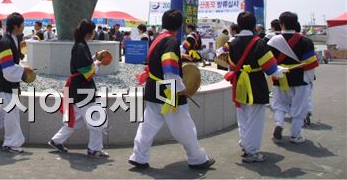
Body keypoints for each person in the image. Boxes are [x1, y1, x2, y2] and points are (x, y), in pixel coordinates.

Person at [129, 9, 214, 169]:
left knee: (147, 125)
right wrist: (180, 88)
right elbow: (169, 68)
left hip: (153, 88)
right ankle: (197, 158)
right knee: (184, 126)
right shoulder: (171, 42)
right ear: (180, 25)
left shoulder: (157, 39)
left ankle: (139, 156)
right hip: (168, 91)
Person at [221, 11, 284, 162]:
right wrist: (280, 71)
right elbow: (270, 67)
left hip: (239, 82)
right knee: (255, 118)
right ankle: (251, 151)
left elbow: (231, 66)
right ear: (254, 25)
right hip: (255, 82)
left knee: (242, 116)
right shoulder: (259, 42)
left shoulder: (232, 43)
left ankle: (245, 144)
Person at [49, 19, 109, 157]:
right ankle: (94, 149)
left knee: (76, 119)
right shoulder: (81, 47)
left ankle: (57, 140)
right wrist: (98, 63)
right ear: (90, 32)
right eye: (93, 31)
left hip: (77, 88)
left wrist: (94, 58)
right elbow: (87, 71)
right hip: (84, 89)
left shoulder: (80, 45)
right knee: (96, 119)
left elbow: (83, 65)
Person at [0, 12, 32, 153]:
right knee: (11, 113)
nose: (23, 26)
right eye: (22, 24)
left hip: (6, 82)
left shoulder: (13, 39)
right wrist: (24, 69)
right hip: (5, 82)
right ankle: (10, 143)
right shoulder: (6, 43)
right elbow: (8, 67)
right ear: (16, 26)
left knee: (4, 112)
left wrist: (21, 68)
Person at [268, 12, 318, 144]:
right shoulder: (305, 41)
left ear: (281, 24)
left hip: (280, 77)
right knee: (299, 108)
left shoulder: (272, 41)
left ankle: (279, 124)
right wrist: (310, 80)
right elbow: (311, 64)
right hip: (300, 79)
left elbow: (269, 62)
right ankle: (295, 135)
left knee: (279, 105)